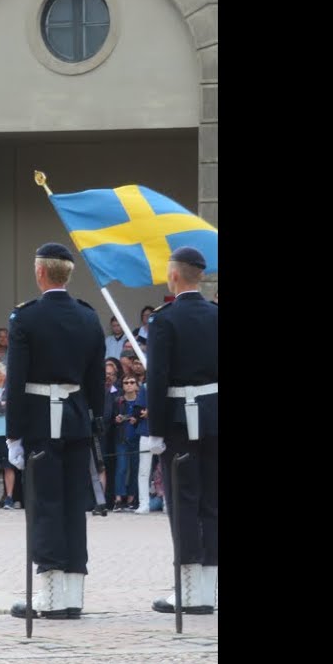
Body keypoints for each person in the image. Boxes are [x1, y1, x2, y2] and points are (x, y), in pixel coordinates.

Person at [6, 243, 105, 620]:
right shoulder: (87, 316)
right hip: (77, 419)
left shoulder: (26, 318)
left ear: (40, 272)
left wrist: (13, 434)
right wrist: (95, 419)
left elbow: (15, 382)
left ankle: (48, 596)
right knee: (73, 506)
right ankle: (73, 596)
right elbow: (96, 379)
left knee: (45, 504)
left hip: (39, 421)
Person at [147, 247, 218, 615]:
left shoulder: (164, 320)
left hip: (177, 420)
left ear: (175, 275)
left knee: (183, 502)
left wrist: (155, 429)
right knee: (211, 501)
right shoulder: (215, 315)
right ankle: (210, 588)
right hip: (214, 417)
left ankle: (189, 590)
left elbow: (156, 379)